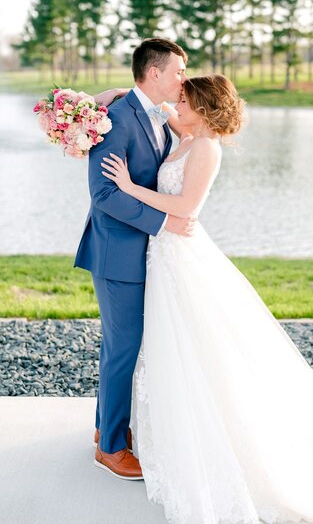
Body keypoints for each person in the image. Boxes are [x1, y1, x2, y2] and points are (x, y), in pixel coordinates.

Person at [100, 73, 313, 524]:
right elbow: (140, 103)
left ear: (201, 109)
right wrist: (116, 96)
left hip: (179, 250)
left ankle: (214, 437)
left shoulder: (205, 147)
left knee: (200, 345)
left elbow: (185, 208)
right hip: (162, 256)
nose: (175, 104)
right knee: (169, 344)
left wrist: (128, 187)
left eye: (183, 100)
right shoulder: (185, 130)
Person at [74, 38, 195, 480]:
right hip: (117, 253)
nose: (183, 78)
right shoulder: (116, 120)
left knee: (120, 346)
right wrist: (164, 224)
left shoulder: (157, 115)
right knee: (123, 348)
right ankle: (111, 448)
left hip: (147, 255)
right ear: (155, 72)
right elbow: (104, 195)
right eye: (179, 70)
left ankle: (104, 427)